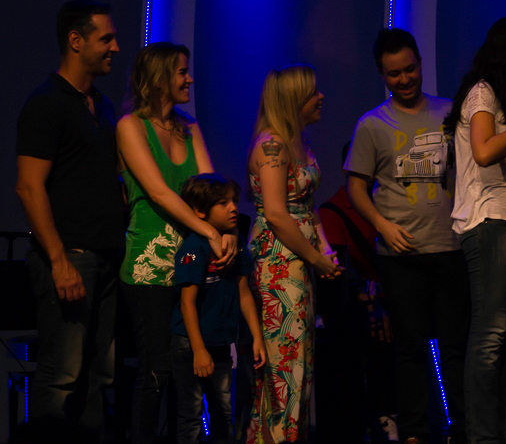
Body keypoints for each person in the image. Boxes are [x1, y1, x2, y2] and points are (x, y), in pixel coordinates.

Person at [346, 28, 469, 444]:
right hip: (400, 255)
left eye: (410, 69)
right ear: (382, 74)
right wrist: (382, 226)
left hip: (451, 247)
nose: (404, 79)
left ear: (420, 62)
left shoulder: (450, 112)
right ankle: (416, 431)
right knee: (411, 348)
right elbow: (356, 187)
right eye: (394, 73)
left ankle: (463, 428)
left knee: (456, 347)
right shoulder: (372, 124)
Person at [117, 41, 238, 444]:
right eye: (181, 71)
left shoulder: (190, 127)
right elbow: (160, 194)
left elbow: (212, 188)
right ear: (158, 79)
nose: (189, 78)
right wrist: (212, 232)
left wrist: (229, 233)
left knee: (193, 369)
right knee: (157, 371)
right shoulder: (130, 126)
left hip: (191, 265)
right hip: (149, 267)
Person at [15, 0, 124, 436]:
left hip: (105, 257)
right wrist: (59, 261)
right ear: (75, 42)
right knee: (62, 375)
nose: (116, 47)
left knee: (99, 377)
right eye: (106, 39)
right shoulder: (46, 104)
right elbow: (28, 186)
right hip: (70, 257)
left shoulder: (102, 106)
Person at [444, 16, 506, 444]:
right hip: (489, 219)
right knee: (492, 333)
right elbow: (484, 152)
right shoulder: (482, 92)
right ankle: (482, 436)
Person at [245, 63, 341, 443]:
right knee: (286, 365)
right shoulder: (272, 145)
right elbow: (276, 213)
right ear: (292, 100)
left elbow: (307, 205)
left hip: (299, 261)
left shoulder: (297, 142)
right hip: (279, 262)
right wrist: (315, 257)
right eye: (313, 92)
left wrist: (325, 251)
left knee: (298, 361)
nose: (321, 97)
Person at [172, 174, 265, 444]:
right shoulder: (194, 247)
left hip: (221, 342)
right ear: (200, 211)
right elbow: (187, 303)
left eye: (234, 201)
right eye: (223, 203)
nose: (234, 207)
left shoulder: (235, 246)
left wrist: (256, 337)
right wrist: (198, 350)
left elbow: (244, 291)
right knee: (191, 414)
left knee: (223, 412)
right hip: (190, 344)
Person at [315, 141, 397, 443]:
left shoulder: (393, 204)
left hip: (392, 299)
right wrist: (373, 300)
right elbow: (340, 274)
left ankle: (393, 416)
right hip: (354, 312)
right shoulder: (333, 211)